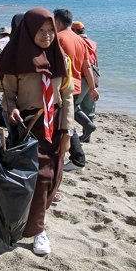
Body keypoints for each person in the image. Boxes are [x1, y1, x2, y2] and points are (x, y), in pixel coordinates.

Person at [0, 8, 73, 256]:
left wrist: (67, 131)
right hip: (29, 126)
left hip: (56, 124)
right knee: (40, 178)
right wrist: (12, 110)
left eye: (51, 30)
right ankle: (39, 230)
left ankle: (32, 220)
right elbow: (8, 94)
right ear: (28, 31)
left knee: (54, 177)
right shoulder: (15, 58)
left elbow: (67, 96)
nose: (47, 35)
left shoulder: (62, 59)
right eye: (41, 30)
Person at [53, 9, 99, 170]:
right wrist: (92, 88)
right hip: (77, 86)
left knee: (64, 123)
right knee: (66, 121)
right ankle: (74, 157)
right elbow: (87, 66)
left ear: (57, 22)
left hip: (63, 87)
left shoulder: (58, 38)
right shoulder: (80, 40)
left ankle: (78, 159)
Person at [71, 21, 99, 141]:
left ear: (75, 31)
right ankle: (87, 136)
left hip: (82, 76)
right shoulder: (92, 43)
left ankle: (88, 127)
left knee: (73, 105)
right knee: (89, 107)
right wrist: (93, 86)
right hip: (93, 76)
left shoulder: (77, 42)